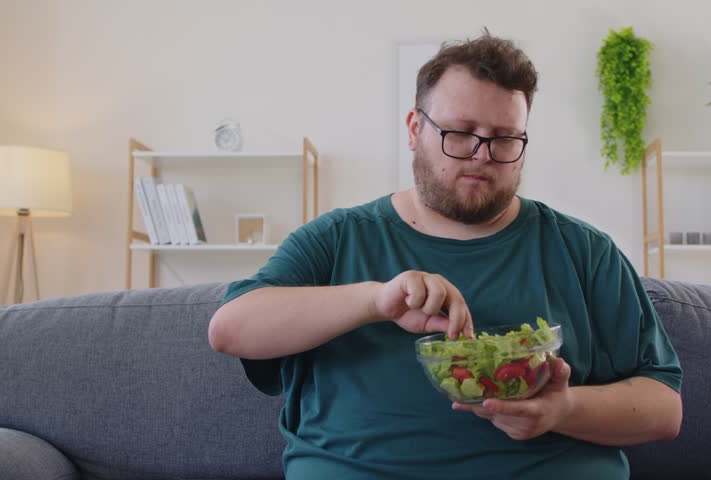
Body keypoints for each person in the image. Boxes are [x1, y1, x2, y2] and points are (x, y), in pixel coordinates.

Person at [208, 30, 682, 480]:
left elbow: (664, 407)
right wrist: (375, 301)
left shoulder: (585, 251)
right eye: (459, 132)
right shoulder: (337, 239)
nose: (482, 155)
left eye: (504, 138)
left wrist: (563, 410)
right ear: (415, 129)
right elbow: (230, 328)